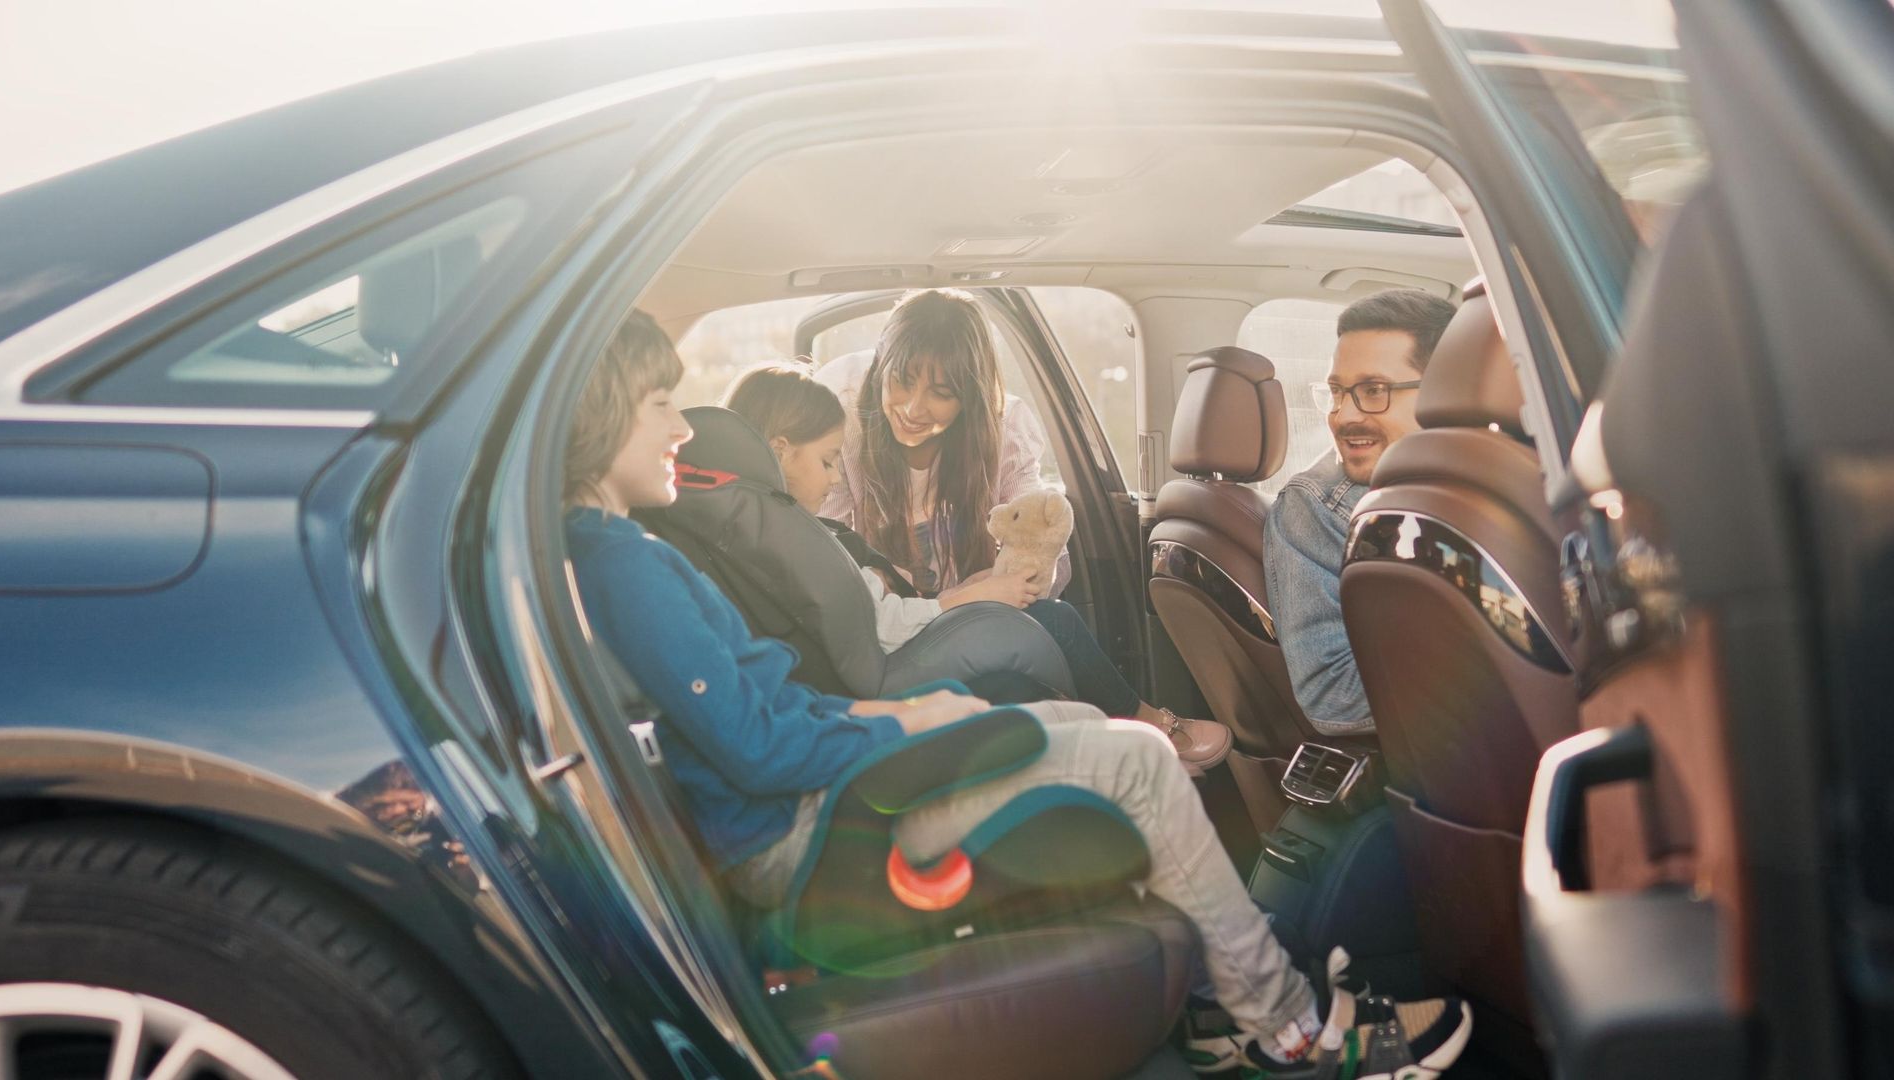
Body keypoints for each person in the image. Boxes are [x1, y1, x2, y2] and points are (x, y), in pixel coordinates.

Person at [561, 310, 1471, 1078]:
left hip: (813, 796)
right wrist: (905, 726)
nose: (683, 428)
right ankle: (1291, 1029)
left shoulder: (624, 553)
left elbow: (767, 717)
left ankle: (1212, 1003)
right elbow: (761, 750)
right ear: (603, 416)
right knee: (1140, 759)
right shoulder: (625, 567)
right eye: (659, 406)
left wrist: (893, 714)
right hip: (810, 832)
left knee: (1078, 716)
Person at [723, 360, 1225, 761]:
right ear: (780, 451)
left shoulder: (773, 525)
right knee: (1056, 619)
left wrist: (967, 590)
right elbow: (880, 622)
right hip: (879, 666)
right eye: (829, 461)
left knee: (1025, 660)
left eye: (940, 392)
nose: (836, 479)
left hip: (875, 653)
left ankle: (1133, 731)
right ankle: (1150, 728)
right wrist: (972, 596)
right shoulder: (792, 535)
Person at [1262, 289, 1457, 735]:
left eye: (1374, 391)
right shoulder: (1319, 507)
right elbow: (1333, 697)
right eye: (1336, 391)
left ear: (1445, 389)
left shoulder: (1506, 476)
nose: (1343, 415)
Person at [815, 287, 1066, 598]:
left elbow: (1036, 540)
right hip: (886, 617)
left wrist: (993, 584)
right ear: (881, 368)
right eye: (901, 381)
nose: (912, 409)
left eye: (941, 393)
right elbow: (827, 549)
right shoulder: (844, 421)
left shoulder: (1005, 428)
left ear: (969, 399)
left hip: (976, 610)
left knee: (1058, 617)